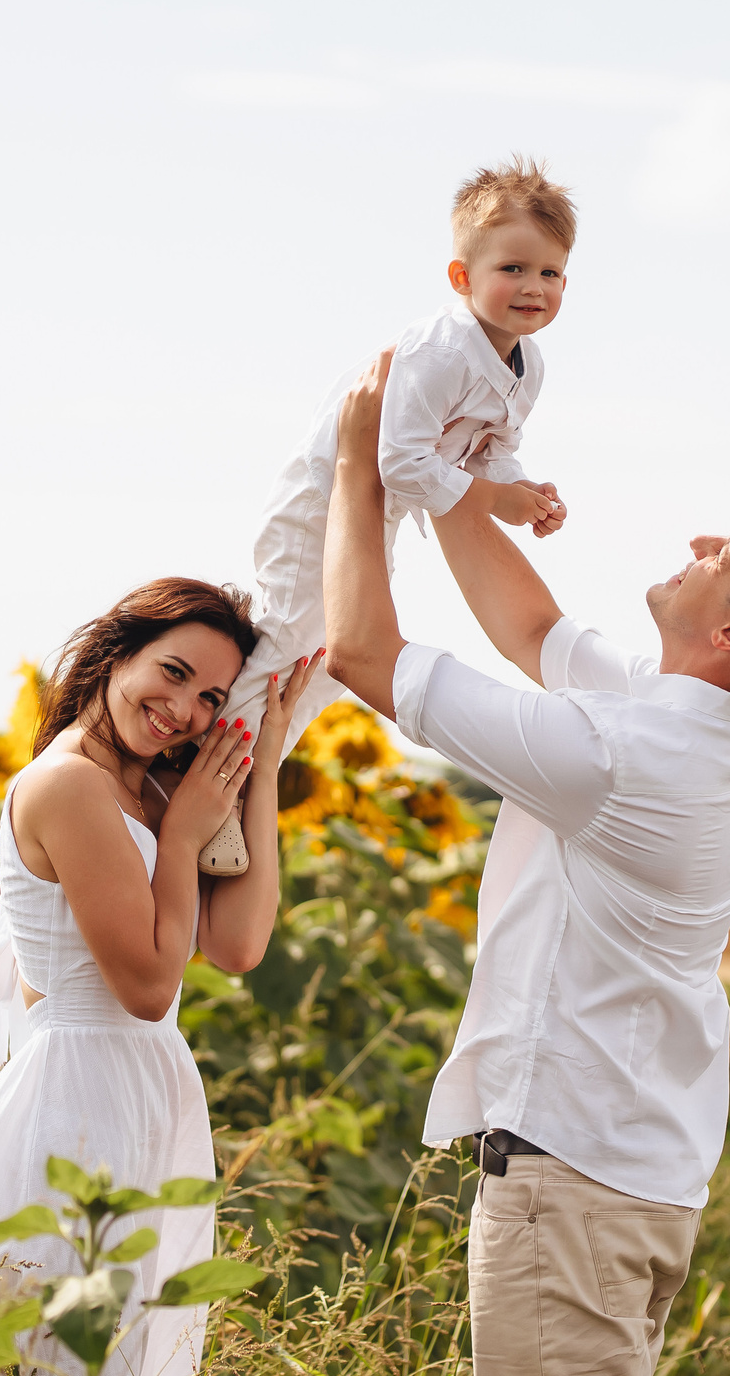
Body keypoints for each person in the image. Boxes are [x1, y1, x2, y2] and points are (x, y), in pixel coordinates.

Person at [321, 355, 730, 1376]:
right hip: (626, 1167)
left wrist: (356, 473)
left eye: (723, 549)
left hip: (572, 1177)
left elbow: (363, 654)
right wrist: (444, 471)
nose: (694, 539)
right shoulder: (724, 727)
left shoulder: (620, 754)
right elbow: (526, 626)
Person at [0, 578, 322, 1376]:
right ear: (113, 656)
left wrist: (261, 768)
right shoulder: (68, 784)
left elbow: (234, 946)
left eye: (210, 698)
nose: (185, 708)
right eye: (174, 672)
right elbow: (149, 982)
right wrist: (188, 835)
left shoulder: (157, 786)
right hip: (74, 1094)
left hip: (148, 1096)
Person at [204, 158, 578, 875]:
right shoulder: (441, 353)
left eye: (551, 274)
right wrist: (493, 499)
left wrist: (522, 490)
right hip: (323, 502)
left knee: (333, 663)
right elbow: (401, 460)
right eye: (514, 268)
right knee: (289, 635)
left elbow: (492, 451)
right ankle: (210, 785)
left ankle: (254, 773)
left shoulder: (528, 365)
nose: (533, 288)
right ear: (462, 278)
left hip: (371, 514)